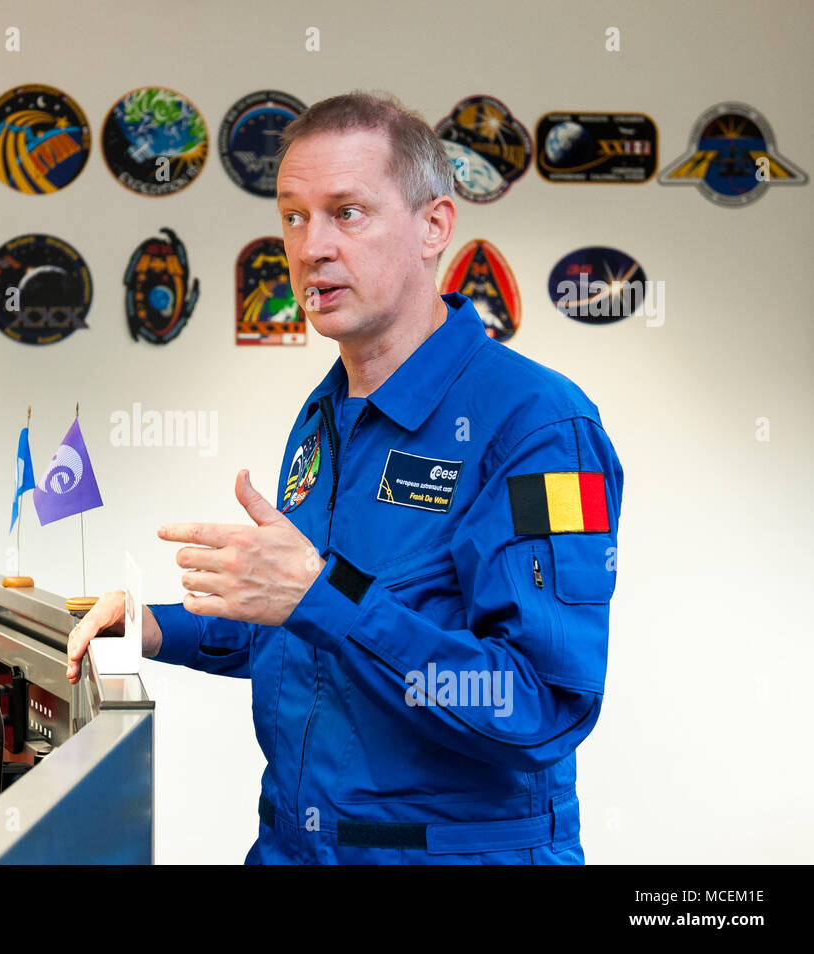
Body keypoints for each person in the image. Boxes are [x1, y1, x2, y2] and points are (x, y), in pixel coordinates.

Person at [66, 90, 623, 864]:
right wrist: (154, 626)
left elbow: (536, 705)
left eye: (347, 213)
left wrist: (323, 596)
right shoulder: (328, 411)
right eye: (292, 215)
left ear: (434, 227)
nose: (309, 247)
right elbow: (302, 625)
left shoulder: (539, 429)